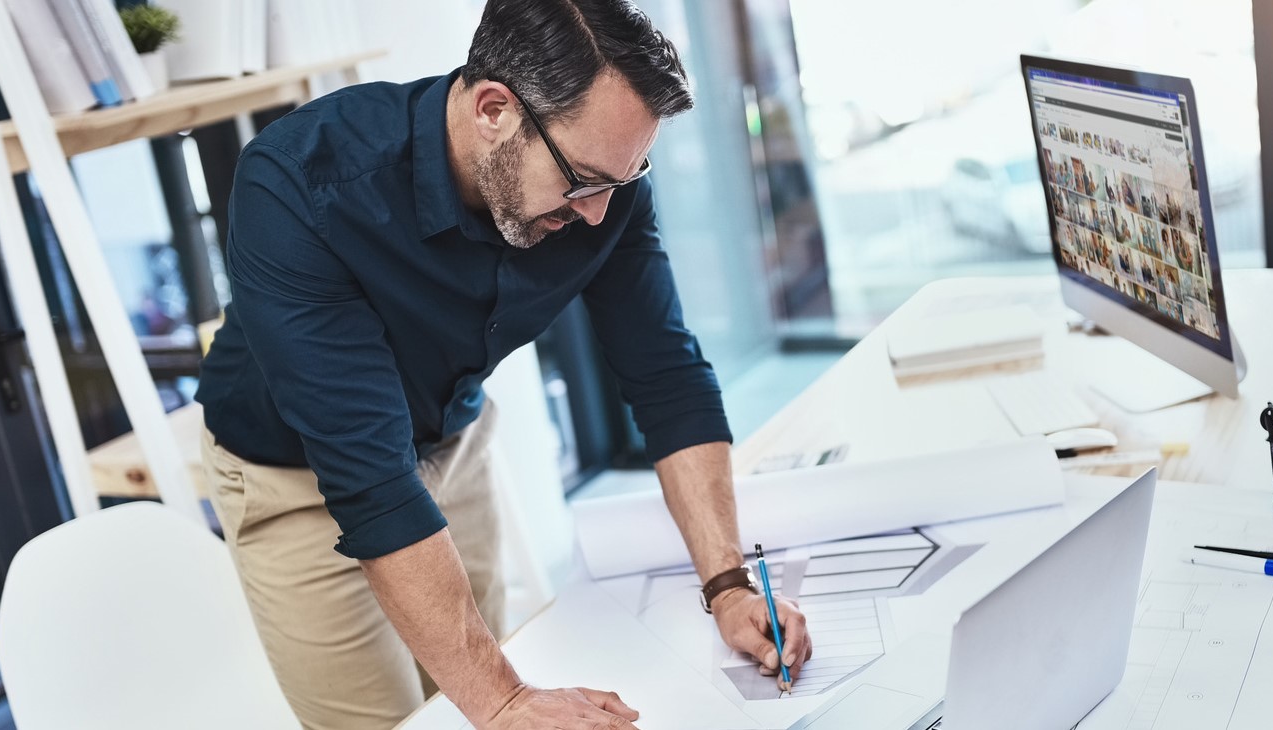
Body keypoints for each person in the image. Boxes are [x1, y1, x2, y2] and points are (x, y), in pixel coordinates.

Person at [194, 2, 813, 728]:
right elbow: (369, 477)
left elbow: (667, 375)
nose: (597, 213)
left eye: (622, 180)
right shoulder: (300, 183)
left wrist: (729, 584)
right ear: (494, 109)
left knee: (465, 699)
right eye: (582, 182)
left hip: (451, 445)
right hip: (291, 477)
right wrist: (505, 701)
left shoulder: (603, 180)